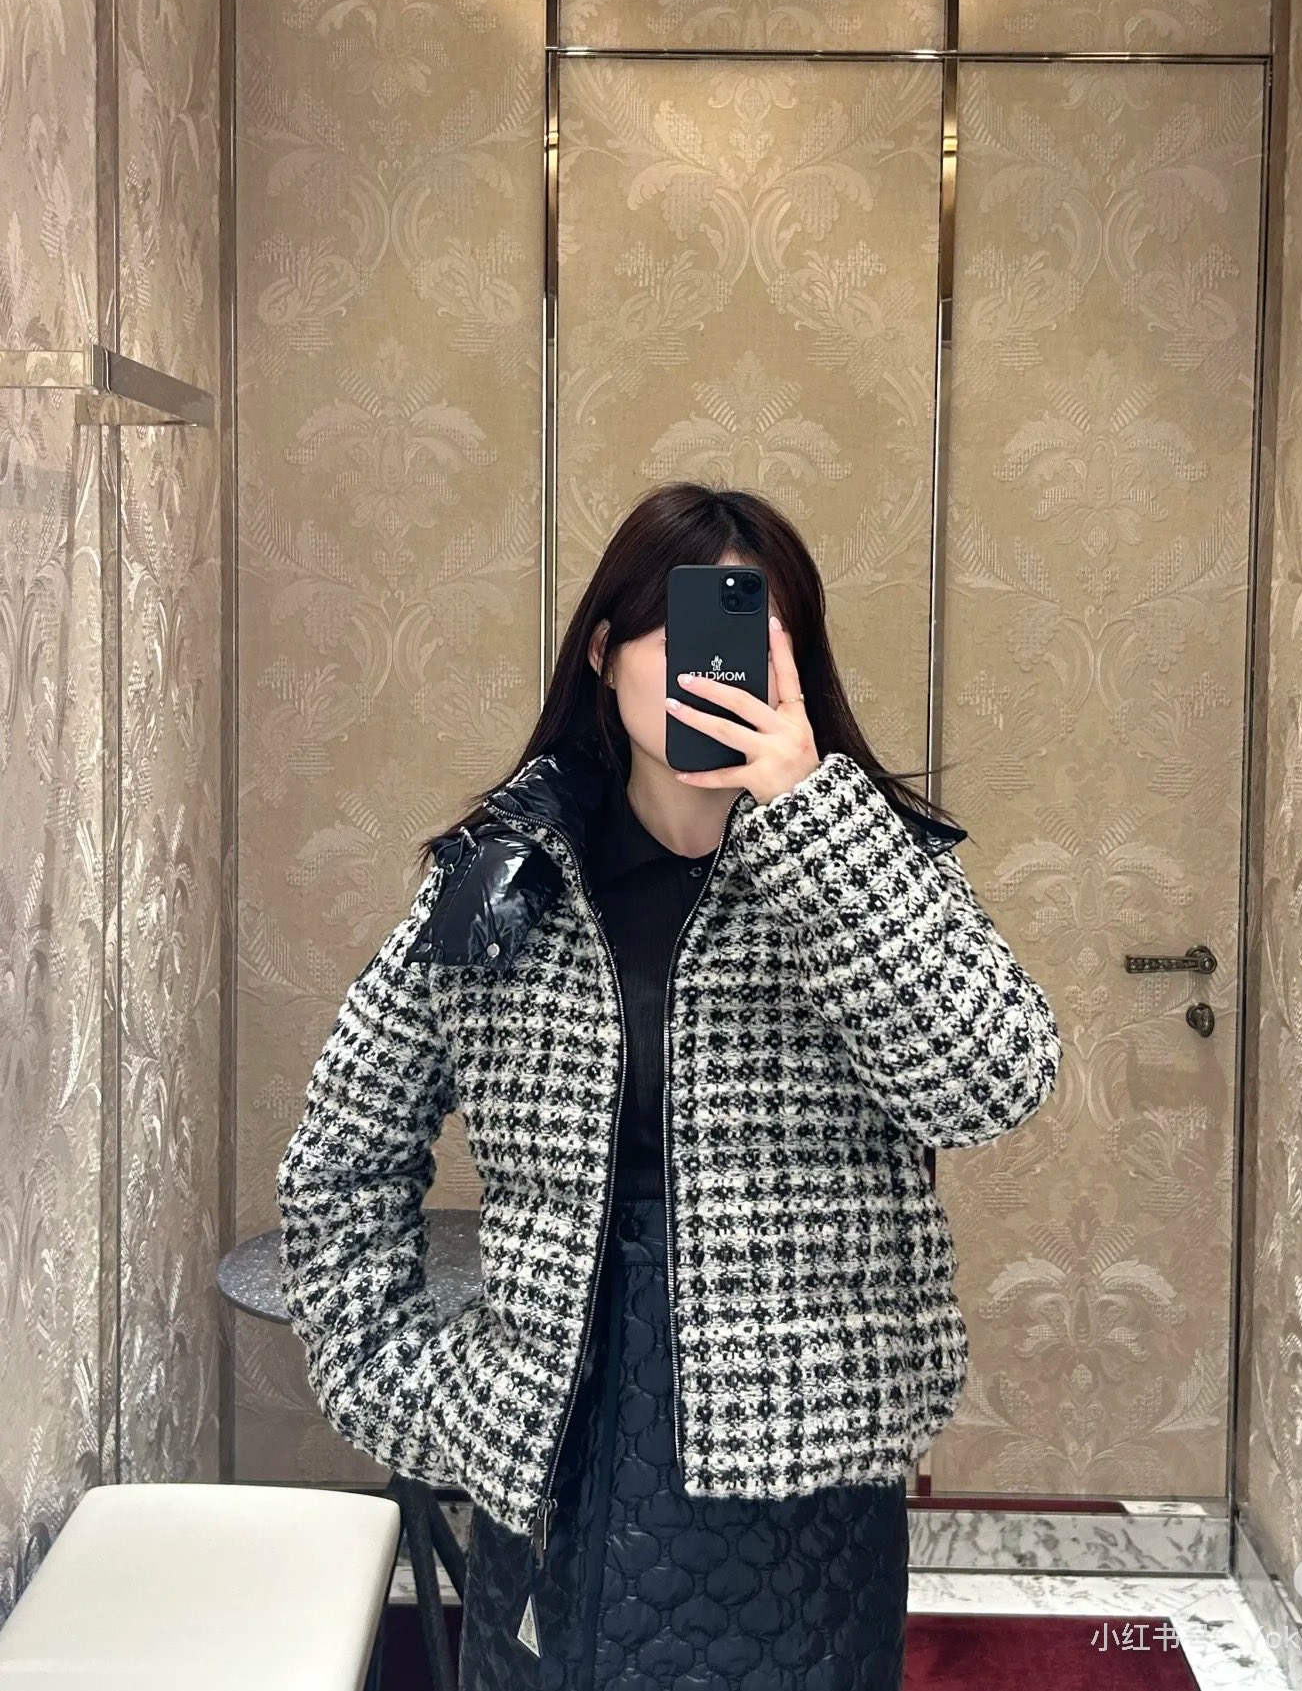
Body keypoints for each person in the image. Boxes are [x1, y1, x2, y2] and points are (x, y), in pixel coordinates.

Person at [275, 480, 1063, 1691]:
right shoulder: (505, 881)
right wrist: (407, 1383)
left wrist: (811, 815)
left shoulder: (869, 863)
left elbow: (991, 1083)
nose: (716, 671)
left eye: (753, 637)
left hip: (806, 1479)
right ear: (603, 653)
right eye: (683, 634)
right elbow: (343, 1154)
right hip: (552, 1442)